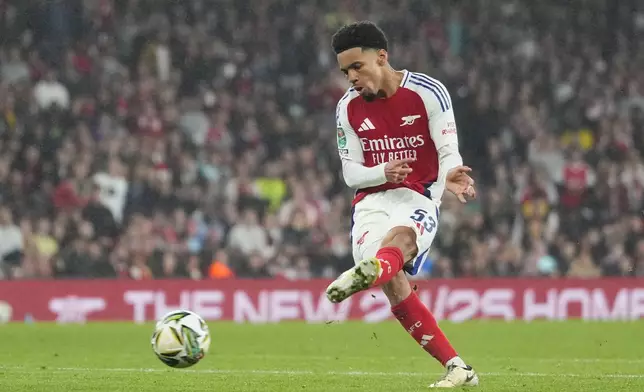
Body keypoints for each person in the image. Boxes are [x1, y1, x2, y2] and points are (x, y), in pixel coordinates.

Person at [327, 21, 479, 388]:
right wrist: (383, 170)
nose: (351, 78)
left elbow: (446, 148)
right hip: (371, 202)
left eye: (357, 67)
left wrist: (452, 173)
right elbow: (350, 174)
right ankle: (459, 368)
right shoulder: (347, 108)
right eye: (345, 71)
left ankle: (367, 272)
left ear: (382, 57)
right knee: (393, 281)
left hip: (419, 195)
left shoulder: (428, 92)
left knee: (401, 240)